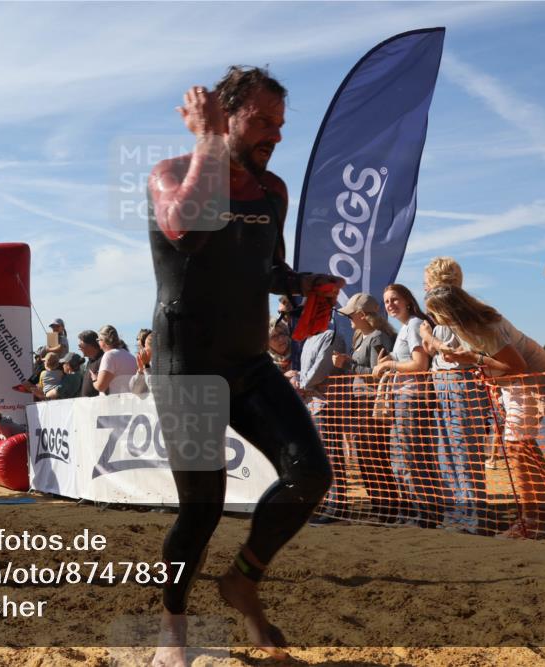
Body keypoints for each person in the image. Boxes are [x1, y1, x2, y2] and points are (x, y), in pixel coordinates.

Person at [147, 66, 341, 665]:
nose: (274, 136)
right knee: (202, 508)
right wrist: (207, 145)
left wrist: (302, 283)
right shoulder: (171, 174)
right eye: (260, 122)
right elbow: (187, 234)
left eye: (279, 125)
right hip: (189, 368)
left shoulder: (272, 191)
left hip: (248, 362)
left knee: (310, 474)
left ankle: (242, 580)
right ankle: (171, 629)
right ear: (224, 117)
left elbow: (265, 268)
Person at [424, 285, 545, 538]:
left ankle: (531, 521)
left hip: (528, 381)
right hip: (519, 383)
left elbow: (516, 366)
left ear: (449, 311)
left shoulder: (482, 329)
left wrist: (474, 360)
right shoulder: (475, 325)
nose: (434, 320)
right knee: (523, 446)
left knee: (517, 448)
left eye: (435, 314)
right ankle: (541, 514)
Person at [418, 257, 491, 534]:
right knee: (447, 450)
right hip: (445, 384)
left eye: (427, 281)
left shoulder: (459, 313)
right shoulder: (442, 315)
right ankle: (461, 513)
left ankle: (476, 517)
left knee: (464, 450)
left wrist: (428, 336)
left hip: (460, 384)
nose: (424, 287)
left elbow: (458, 354)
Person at [373, 284, 445, 528]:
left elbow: (419, 364)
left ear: (407, 300)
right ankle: (420, 511)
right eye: (386, 301)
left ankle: (426, 514)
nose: (390, 304)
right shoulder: (406, 327)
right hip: (404, 398)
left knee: (413, 458)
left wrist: (387, 366)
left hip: (411, 399)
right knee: (405, 457)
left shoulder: (413, 324)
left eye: (394, 299)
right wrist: (392, 359)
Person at [332, 293, 402, 522]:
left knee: (375, 455)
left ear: (362, 315)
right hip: (361, 405)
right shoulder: (360, 336)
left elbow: (376, 375)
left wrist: (346, 364)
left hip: (373, 405)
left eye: (351, 314)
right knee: (365, 456)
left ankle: (387, 509)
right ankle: (379, 507)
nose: (349, 319)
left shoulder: (378, 337)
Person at [296, 326, 347, 523]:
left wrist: (303, 384)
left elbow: (320, 370)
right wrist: (302, 382)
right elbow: (307, 373)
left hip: (326, 404)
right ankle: (326, 502)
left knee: (332, 455)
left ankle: (338, 506)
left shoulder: (331, 335)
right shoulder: (308, 340)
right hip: (312, 404)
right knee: (322, 456)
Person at [91, 325, 137, 395]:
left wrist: (94, 379)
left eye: (98, 340)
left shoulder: (109, 355)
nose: (98, 344)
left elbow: (101, 387)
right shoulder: (131, 356)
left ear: (103, 340)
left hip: (114, 403)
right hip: (130, 402)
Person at [76, 331, 104, 398]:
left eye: (80, 345)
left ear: (90, 344)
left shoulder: (103, 360)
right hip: (88, 405)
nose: (79, 348)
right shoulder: (90, 362)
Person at [131, 331, 154, 395]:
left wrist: (146, 366)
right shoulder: (149, 365)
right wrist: (140, 371)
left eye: (145, 347)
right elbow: (135, 390)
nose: (142, 350)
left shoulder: (164, 365)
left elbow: (155, 389)